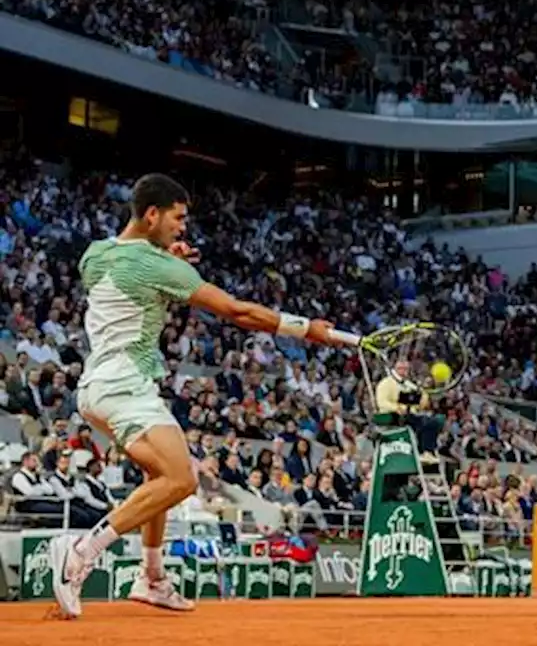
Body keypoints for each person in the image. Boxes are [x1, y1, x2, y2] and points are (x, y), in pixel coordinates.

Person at [49, 173, 345, 619]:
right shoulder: (163, 267)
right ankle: (81, 551)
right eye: (178, 218)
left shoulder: (96, 255)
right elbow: (237, 311)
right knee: (182, 480)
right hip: (124, 386)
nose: (183, 227)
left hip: (96, 389)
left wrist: (166, 255)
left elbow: (135, 272)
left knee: (160, 479)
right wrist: (308, 329)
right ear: (153, 215)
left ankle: (151, 577)